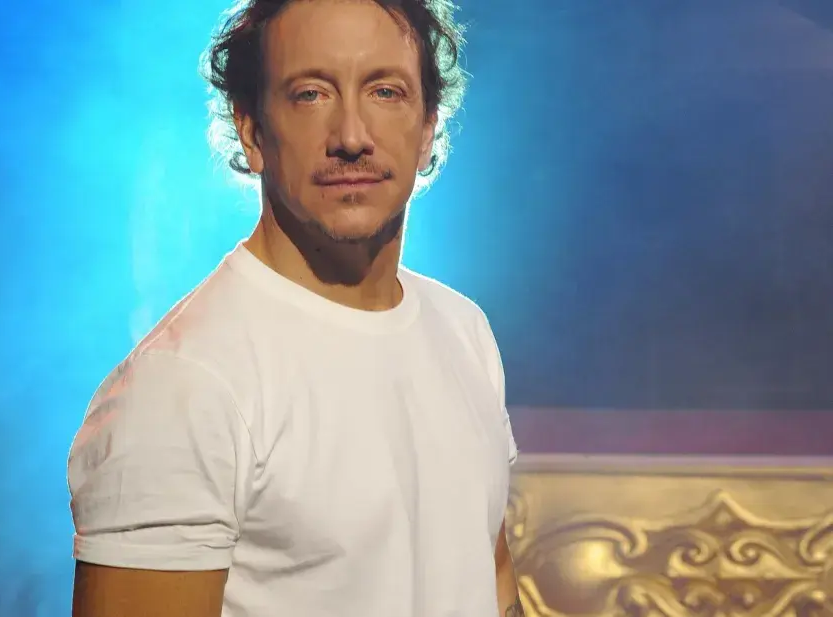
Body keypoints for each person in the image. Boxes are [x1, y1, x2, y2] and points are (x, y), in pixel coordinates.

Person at [67, 0, 523, 615]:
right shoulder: (183, 384)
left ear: (427, 128)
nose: (352, 137)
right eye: (311, 94)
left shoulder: (464, 331)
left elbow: (490, 578)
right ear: (252, 130)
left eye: (385, 91)